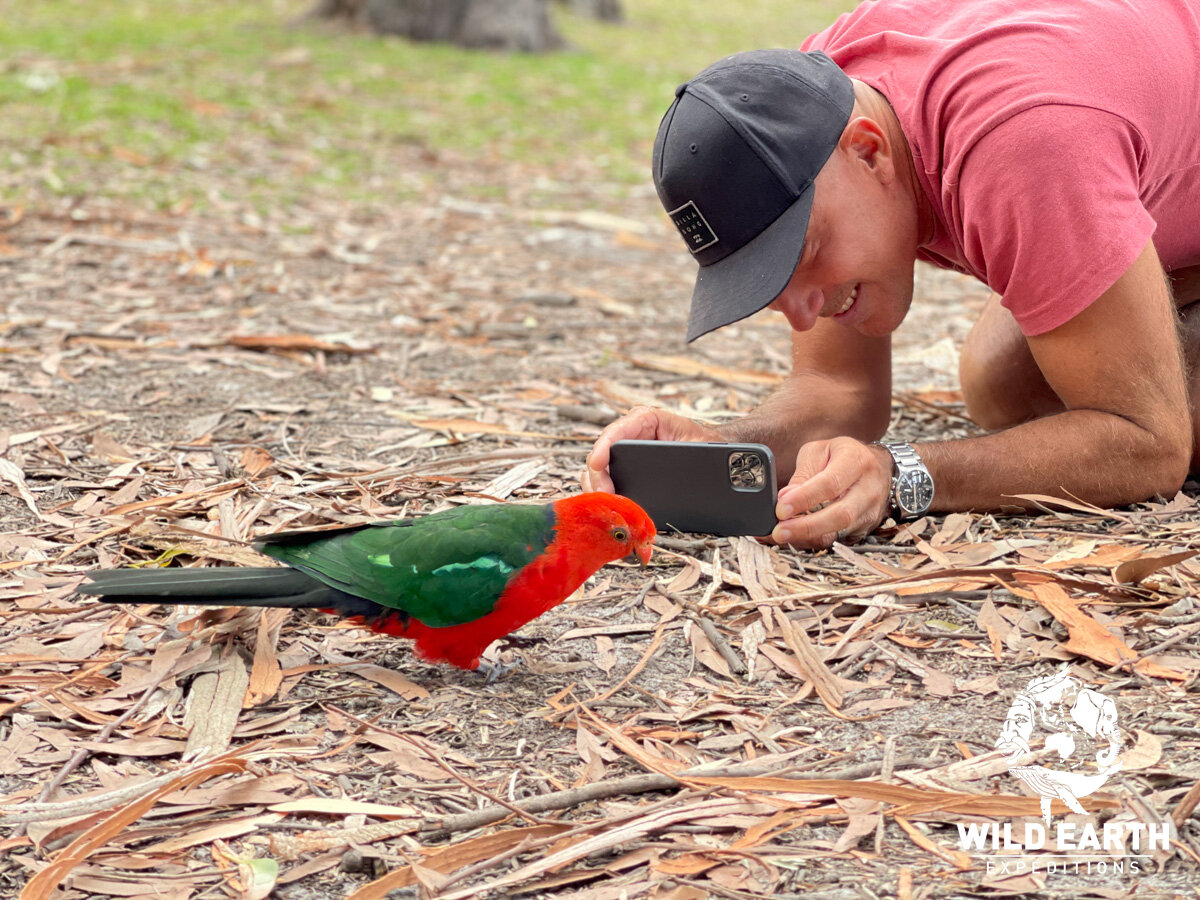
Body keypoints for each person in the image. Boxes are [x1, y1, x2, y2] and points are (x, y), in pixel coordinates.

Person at [582, 0, 1200, 549]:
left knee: (1093, 409)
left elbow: (1148, 443)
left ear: (869, 152)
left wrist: (902, 471)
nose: (802, 311)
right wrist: (721, 449)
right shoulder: (810, 110)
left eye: (800, 253)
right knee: (1002, 382)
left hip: (1051, 137)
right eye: (763, 278)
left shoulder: (1020, 142)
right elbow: (838, 390)